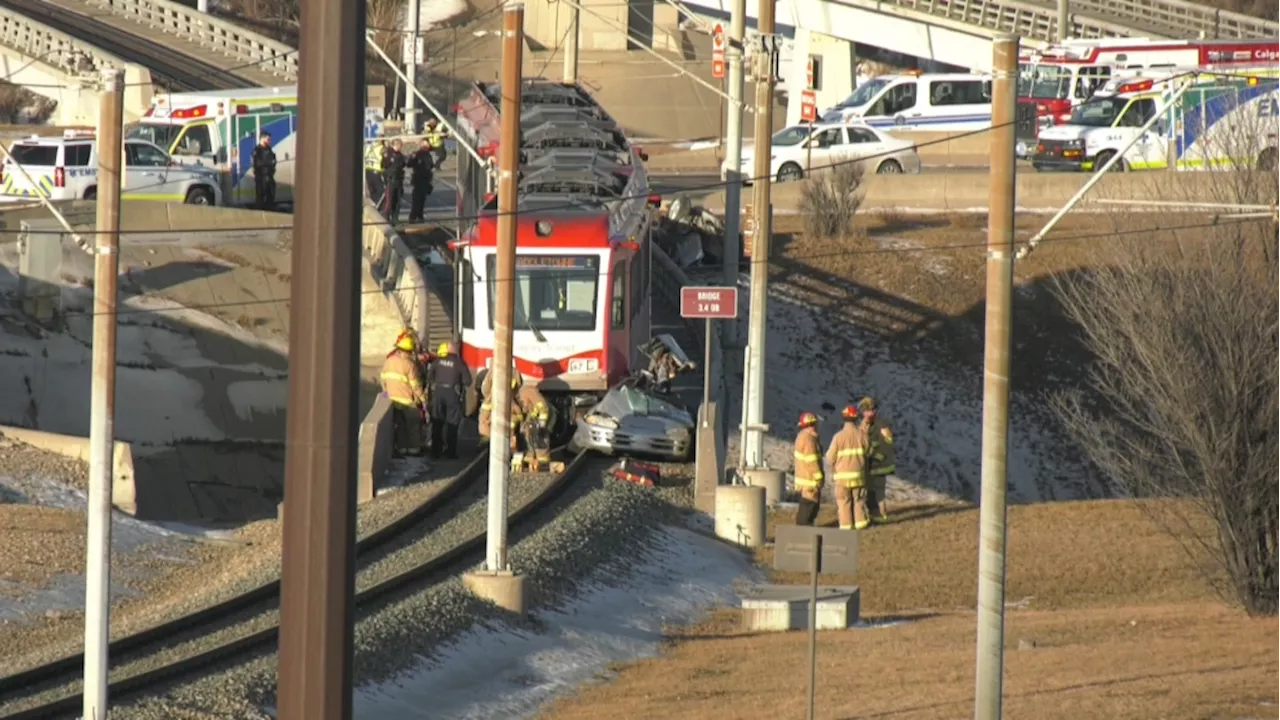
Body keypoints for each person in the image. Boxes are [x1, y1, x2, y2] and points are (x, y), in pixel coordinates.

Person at [379, 329, 428, 456]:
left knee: (399, 427)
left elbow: (383, 378)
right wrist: (424, 399)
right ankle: (414, 451)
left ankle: (401, 449)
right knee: (413, 427)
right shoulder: (409, 365)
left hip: (393, 400)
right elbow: (416, 385)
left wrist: (387, 392)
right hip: (408, 401)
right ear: (409, 351)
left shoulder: (389, 361)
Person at [826, 404, 871, 530]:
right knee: (858, 501)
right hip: (859, 476)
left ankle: (846, 527)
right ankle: (861, 524)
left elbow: (830, 458)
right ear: (856, 418)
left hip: (842, 478)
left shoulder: (838, 437)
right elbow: (867, 452)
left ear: (843, 418)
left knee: (844, 502)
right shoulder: (862, 436)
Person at [426, 340, 471, 459]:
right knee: (453, 424)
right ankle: (450, 452)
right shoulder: (459, 363)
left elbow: (429, 377)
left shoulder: (437, 361)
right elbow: (468, 381)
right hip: (453, 394)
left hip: (438, 393)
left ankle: (435, 451)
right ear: (454, 350)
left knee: (437, 422)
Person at [861, 396, 896, 524]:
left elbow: (887, 444)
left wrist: (872, 454)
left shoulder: (881, 425)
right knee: (871, 493)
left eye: (868, 411)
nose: (866, 414)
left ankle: (881, 518)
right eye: (864, 411)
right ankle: (874, 516)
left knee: (878, 494)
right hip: (871, 466)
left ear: (874, 410)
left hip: (879, 466)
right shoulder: (868, 424)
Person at [478, 367, 522, 454]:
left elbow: (485, 388)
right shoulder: (513, 373)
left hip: (493, 412)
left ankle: (487, 445)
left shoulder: (493, 372)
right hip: (499, 411)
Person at [792, 411, 824, 526]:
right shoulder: (809, 440)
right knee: (809, 507)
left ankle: (804, 529)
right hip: (810, 481)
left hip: (805, 479)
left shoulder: (803, 437)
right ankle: (804, 531)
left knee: (808, 507)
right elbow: (812, 461)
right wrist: (818, 477)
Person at [516, 377, 552, 467]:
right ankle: (530, 458)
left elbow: (542, 406)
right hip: (531, 419)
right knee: (528, 435)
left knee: (539, 436)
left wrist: (542, 421)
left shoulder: (527, 391)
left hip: (540, 417)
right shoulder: (516, 395)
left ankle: (543, 460)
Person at [407, 139, 435, 224]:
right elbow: (409, 164)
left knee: (422, 200)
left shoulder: (428, 155)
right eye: (424, 145)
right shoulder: (417, 154)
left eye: (427, 145)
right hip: (418, 179)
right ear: (421, 145)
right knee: (416, 200)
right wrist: (412, 157)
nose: (426, 146)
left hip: (425, 180)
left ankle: (420, 216)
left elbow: (430, 165)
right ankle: (413, 217)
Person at [380, 138, 407, 222]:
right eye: (399, 145)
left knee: (398, 200)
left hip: (399, 180)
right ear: (394, 145)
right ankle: (386, 217)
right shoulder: (389, 153)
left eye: (401, 145)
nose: (400, 147)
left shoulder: (400, 155)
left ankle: (395, 218)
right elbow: (384, 165)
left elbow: (403, 165)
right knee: (389, 201)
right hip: (391, 180)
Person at [251, 132, 277, 211]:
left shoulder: (269, 149)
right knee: (260, 198)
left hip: (270, 176)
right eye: (268, 139)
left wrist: (273, 163)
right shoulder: (257, 150)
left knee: (271, 196)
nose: (269, 141)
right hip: (261, 177)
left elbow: (273, 158)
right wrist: (269, 162)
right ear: (262, 139)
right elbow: (257, 163)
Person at [363, 136, 385, 204]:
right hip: (376, 170)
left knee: (372, 190)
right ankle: (375, 204)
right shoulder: (381, 148)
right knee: (380, 190)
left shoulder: (369, 147)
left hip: (368, 170)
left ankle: (373, 203)